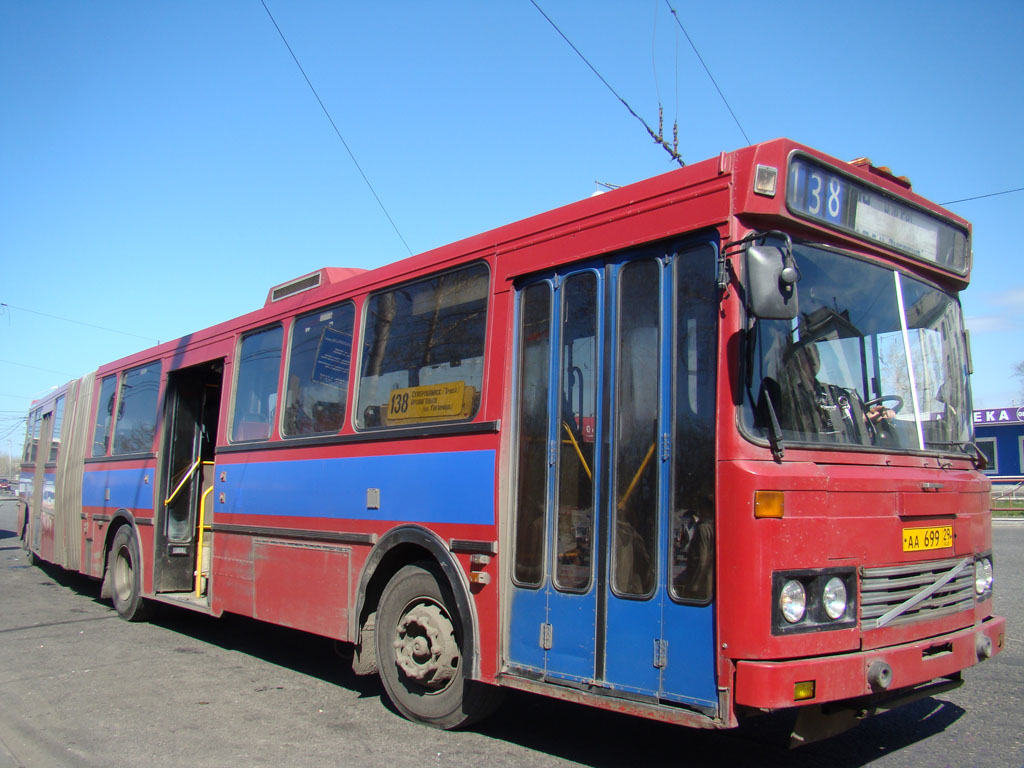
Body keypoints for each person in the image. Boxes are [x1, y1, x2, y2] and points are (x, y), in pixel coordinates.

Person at [777, 342, 893, 444]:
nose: (813, 361)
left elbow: (849, 419)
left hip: (849, 454)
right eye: (807, 357)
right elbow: (807, 432)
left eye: (815, 355)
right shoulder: (788, 400)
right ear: (795, 364)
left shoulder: (836, 393)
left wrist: (866, 418)